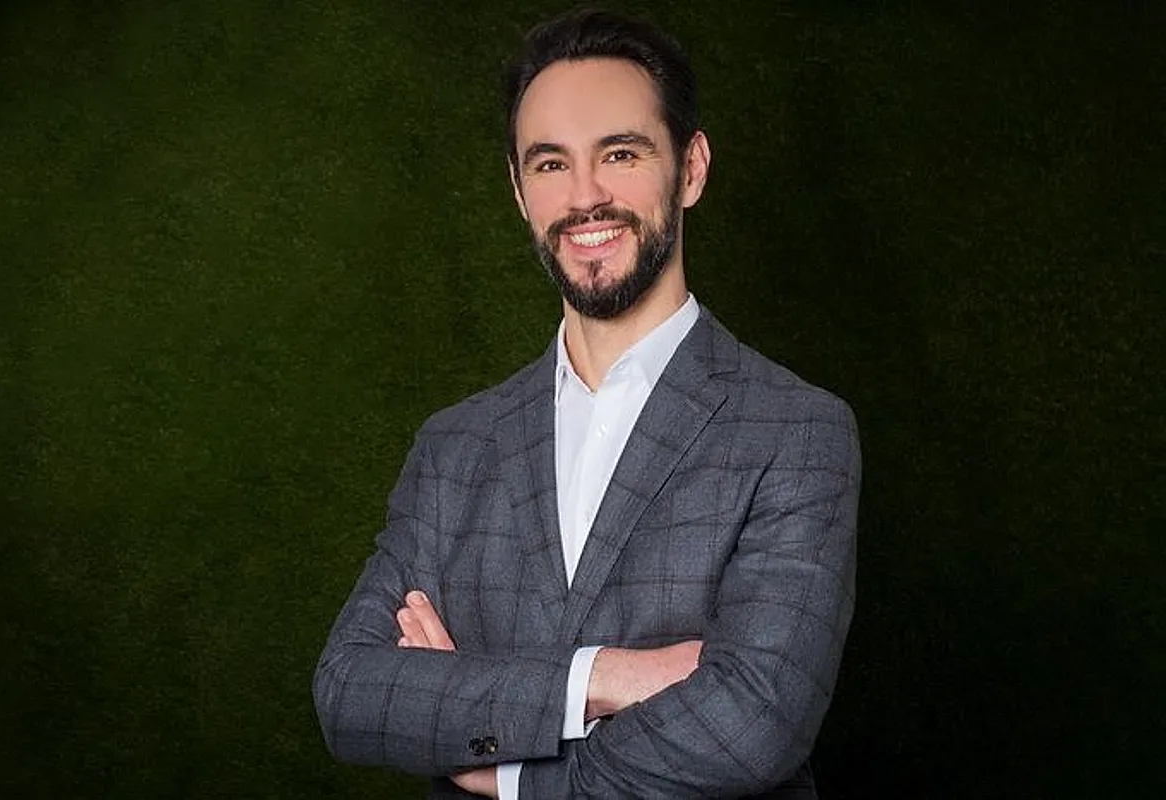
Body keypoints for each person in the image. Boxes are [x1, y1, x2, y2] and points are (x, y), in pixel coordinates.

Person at [313, 8, 860, 798]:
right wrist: (602, 678)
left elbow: (754, 723)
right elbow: (350, 692)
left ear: (691, 168)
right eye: (550, 164)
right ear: (518, 190)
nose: (585, 197)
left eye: (621, 154)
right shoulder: (454, 446)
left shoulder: (797, 430)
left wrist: (506, 771)